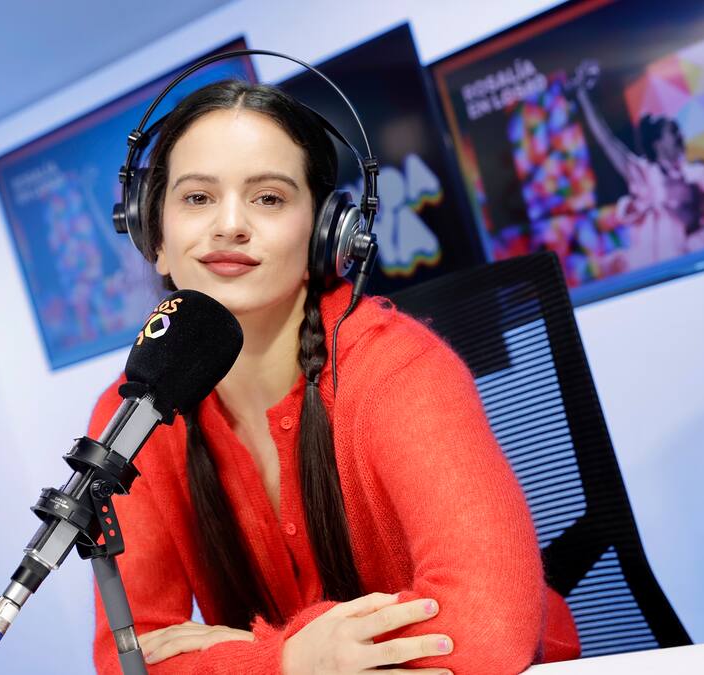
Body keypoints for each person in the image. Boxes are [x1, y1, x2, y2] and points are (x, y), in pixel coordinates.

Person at [88, 79, 581, 674]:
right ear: (154, 236)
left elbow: (486, 628)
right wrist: (288, 662)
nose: (230, 225)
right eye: (197, 198)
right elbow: (129, 658)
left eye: (268, 198)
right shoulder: (135, 411)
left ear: (328, 234)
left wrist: (251, 657)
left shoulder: (400, 370)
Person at [570, 60, 704, 273]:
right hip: (653, 273)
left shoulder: (697, 174)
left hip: (694, 266)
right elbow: (606, 140)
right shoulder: (642, 174)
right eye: (673, 131)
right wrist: (584, 98)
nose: (681, 136)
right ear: (657, 143)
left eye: (679, 131)